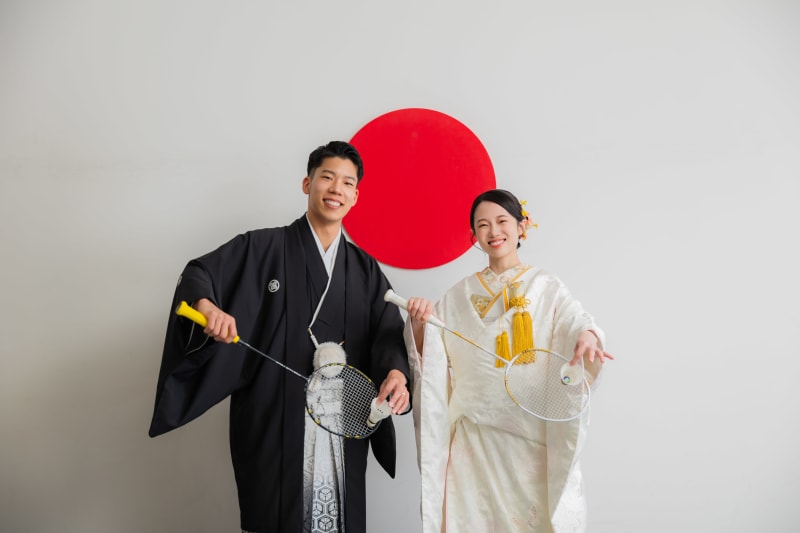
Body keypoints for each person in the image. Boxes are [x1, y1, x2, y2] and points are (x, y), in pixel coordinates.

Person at [148, 141, 411, 533]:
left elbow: (387, 330)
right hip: (275, 413)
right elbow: (199, 273)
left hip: (343, 421)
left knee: (340, 515)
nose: (336, 189)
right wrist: (208, 308)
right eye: (327, 177)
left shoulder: (363, 269)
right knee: (275, 514)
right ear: (307, 184)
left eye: (347, 183)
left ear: (356, 196)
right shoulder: (262, 247)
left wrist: (396, 374)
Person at [403, 189, 613, 533]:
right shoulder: (458, 296)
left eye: (502, 221)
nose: (494, 231)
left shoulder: (545, 286)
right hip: (474, 440)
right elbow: (432, 356)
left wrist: (588, 335)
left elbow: (575, 319)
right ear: (474, 235)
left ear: (521, 226)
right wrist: (418, 323)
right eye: (483, 225)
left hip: (528, 433)